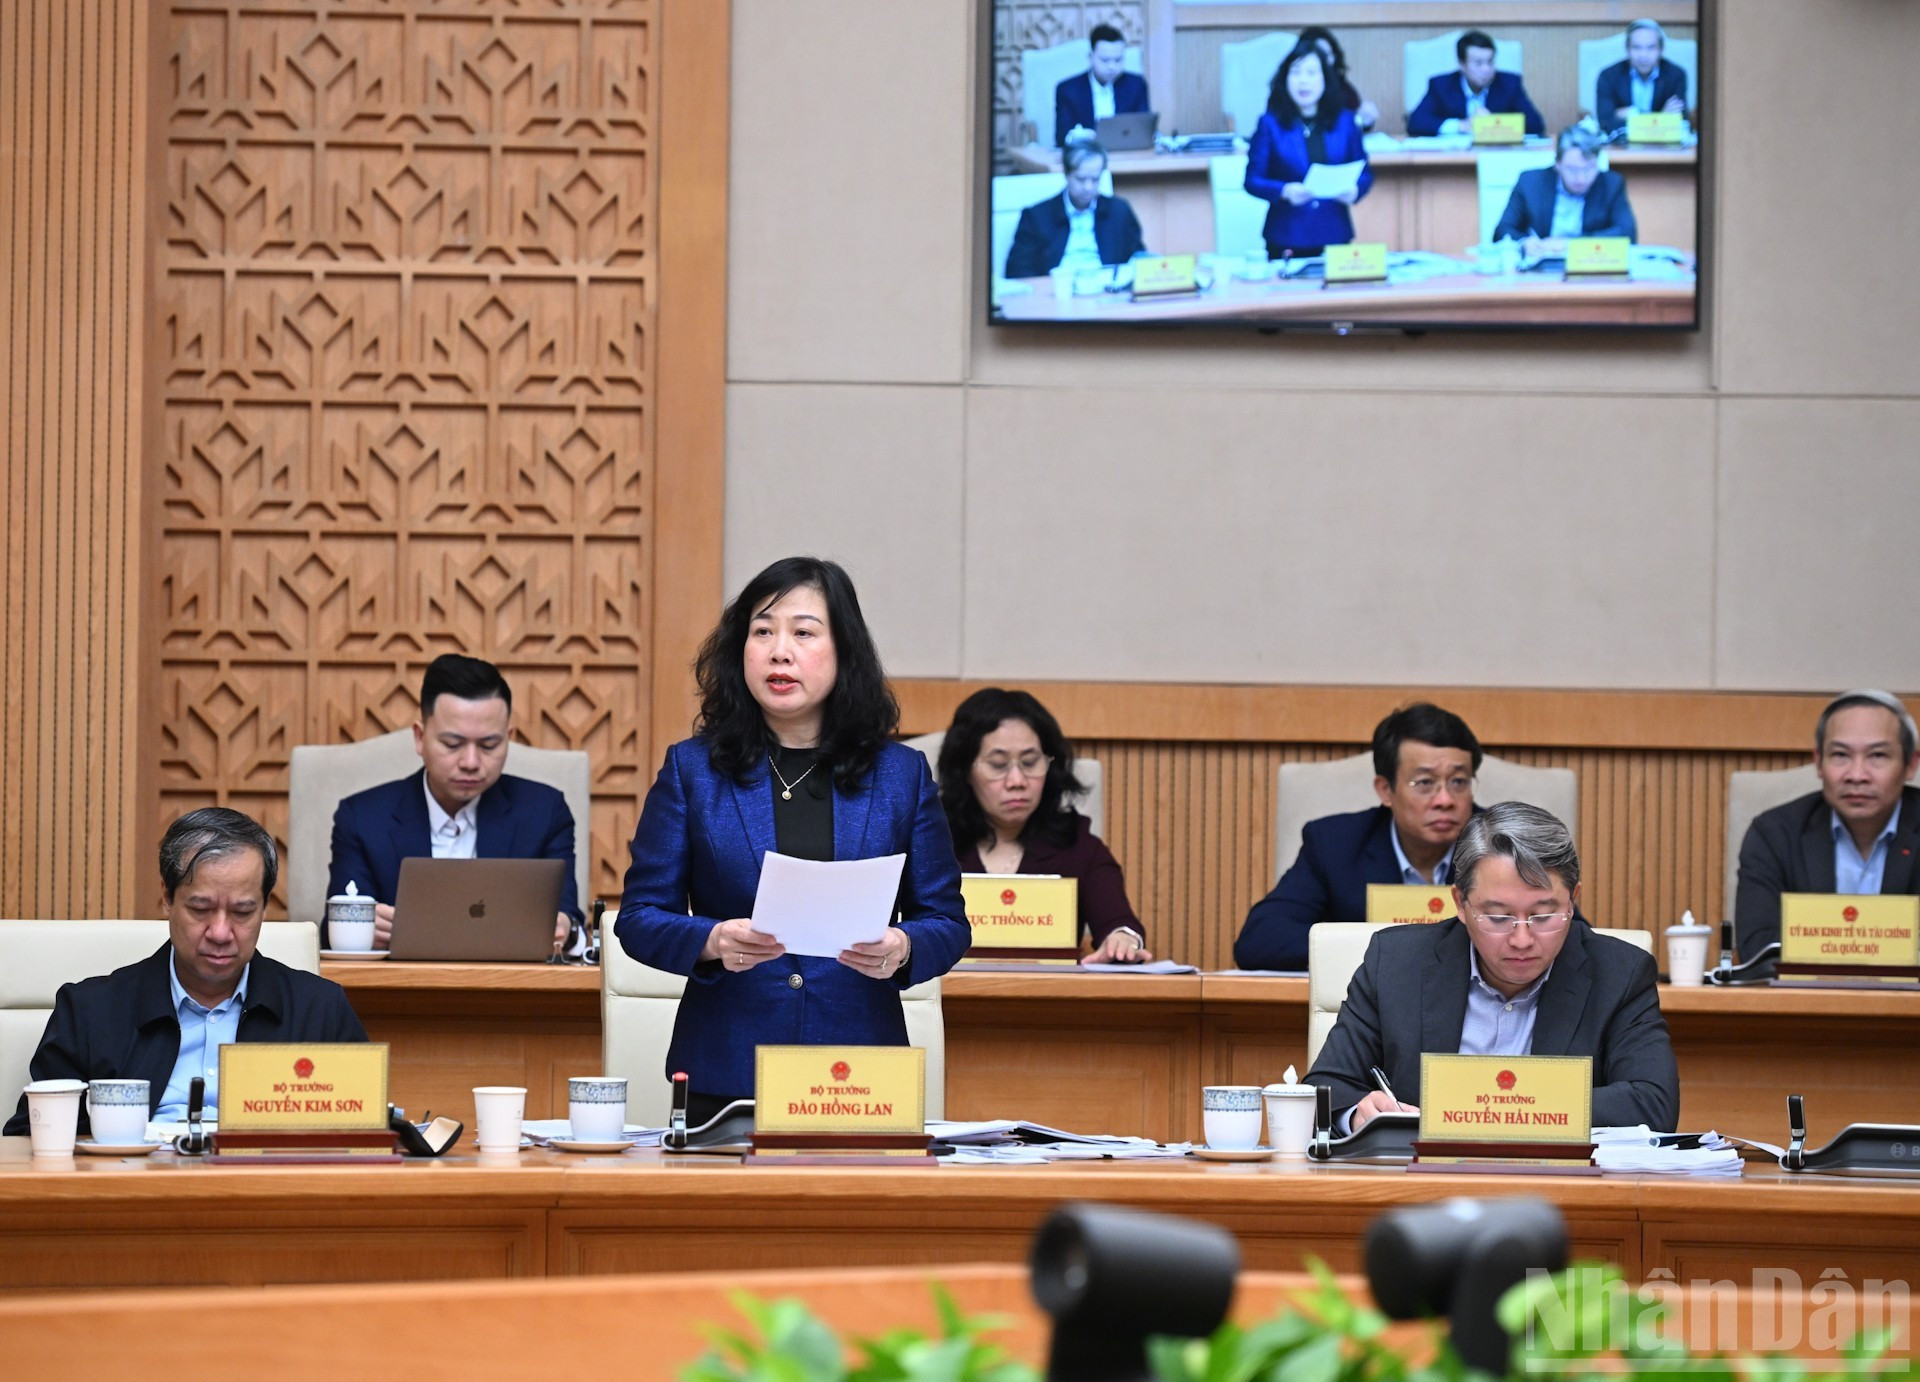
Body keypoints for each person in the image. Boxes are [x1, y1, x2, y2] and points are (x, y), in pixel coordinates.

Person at [614, 557, 970, 1120]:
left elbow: (948, 922)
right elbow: (638, 919)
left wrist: (902, 948)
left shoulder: (900, 776)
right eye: (762, 631)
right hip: (728, 1068)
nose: (780, 651)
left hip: (859, 1076)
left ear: (843, 652)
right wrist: (712, 941)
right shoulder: (693, 771)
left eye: (803, 632)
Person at [1307, 801, 1679, 1133]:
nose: (1521, 939)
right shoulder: (1396, 963)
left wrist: (1493, 1110)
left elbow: (1652, 1101)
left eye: (1543, 915)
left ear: (1572, 900)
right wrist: (1358, 1114)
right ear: (1461, 903)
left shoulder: (1620, 972)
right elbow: (1325, 1088)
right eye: (1498, 917)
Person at [4, 808, 367, 1136]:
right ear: (167, 898)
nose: (221, 933)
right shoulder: (90, 1012)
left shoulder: (320, 1009)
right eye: (200, 909)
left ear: (264, 908)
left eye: (242, 912)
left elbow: (365, 1133)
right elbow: (30, 1137)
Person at [327, 654, 578, 952]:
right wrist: (363, 929)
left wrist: (567, 930)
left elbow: (570, 920)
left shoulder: (545, 812)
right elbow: (332, 928)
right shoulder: (363, 818)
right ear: (420, 738)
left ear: (508, 738)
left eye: (489, 745)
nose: (470, 762)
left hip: (512, 989)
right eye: (452, 744)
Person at [1236, 703, 1482, 972]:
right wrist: (1383, 949)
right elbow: (1260, 940)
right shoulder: (1335, 844)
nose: (1445, 800)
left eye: (1458, 781)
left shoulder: (1503, 844)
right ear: (1385, 790)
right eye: (1425, 782)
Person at [936, 687, 1149, 964]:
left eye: (1030, 762)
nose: (1017, 780)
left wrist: (1122, 939)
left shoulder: (1076, 843)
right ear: (965, 770)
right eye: (998, 764)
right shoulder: (933, 842)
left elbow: (1118, 922)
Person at [1734, 690, 1920, 960]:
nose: (1857, 775)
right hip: (1804, 1001)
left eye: (1877, 755)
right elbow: (1759, 948)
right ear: (1819, 762)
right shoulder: (1775, 835)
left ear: (1910, 765)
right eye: (1841, 755)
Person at [1243, 40, 1373, 260]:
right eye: (1296, 73)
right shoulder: (1270, 124)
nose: (1304, 81)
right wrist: (1284, 190)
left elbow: (1364, 172)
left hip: (1335, 233)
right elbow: (1252, 180)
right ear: (1285, 80)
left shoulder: (1346, 122)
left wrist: (1355, 190)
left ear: (1325, 79)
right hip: (1286, 236)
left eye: (1312, 73)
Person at [1004, 142, 1145, 280]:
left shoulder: (1119, 211)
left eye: (1095, 179)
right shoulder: (1037, 216)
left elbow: (1137, 258)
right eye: (1081, 179)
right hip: (1058, 290)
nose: (1088, 187)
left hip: (1106, 293)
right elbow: (1017, 270)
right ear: (1066, 174)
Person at [1492, 125, 1638, 254]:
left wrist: (1570, 244)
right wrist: (1523, 243)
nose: (1581, 179)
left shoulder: (1611, 184)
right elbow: (1502, 231)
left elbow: (1627, 234)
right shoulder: (1530, 182)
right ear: (1557, 164)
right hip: (1540, 269)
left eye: (1589, 169)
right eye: (1572, 169)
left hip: (1589, 268)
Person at [1406, 30, 1545, 138]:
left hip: (1497, 154)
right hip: (1454, 158)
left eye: (1490, 62)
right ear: (1462, 65)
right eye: (1478, 63)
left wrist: (1492, 124)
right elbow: (1415, 122)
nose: (1486, 69)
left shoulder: (1509, 83)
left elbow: (1536, 124)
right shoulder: (1441, 85)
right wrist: (1460, 126)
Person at [1054, 23, 1150, 148]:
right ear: (1090, 57)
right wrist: (1078, 136)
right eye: (1105, 60)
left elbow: (1144, 129)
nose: (1112, 66)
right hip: (1085, 156)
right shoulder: (1068, 90)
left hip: (1127, 153)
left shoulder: (1136, 85)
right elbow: (1061, 136)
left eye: (1118, 60)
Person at [1595, 19, 1689, 134]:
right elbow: (1605, 121)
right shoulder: (1608, 76)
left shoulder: (1676, 75)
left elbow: (1679, 120)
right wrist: (1661, 117)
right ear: (1627, 49)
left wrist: (1630, 115)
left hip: (1664, 145)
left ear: (1661, 50)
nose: (1643, 55)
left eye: (1651, 48)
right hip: (1621, 146)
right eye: (1636, 47)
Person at [1298, 26, 1379, 131]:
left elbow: (1355, 125)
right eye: (1318, 54)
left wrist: (1366, 120)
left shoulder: (1343, 88)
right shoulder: (1289, 88)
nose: (1324, 60)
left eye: (1327, 54)